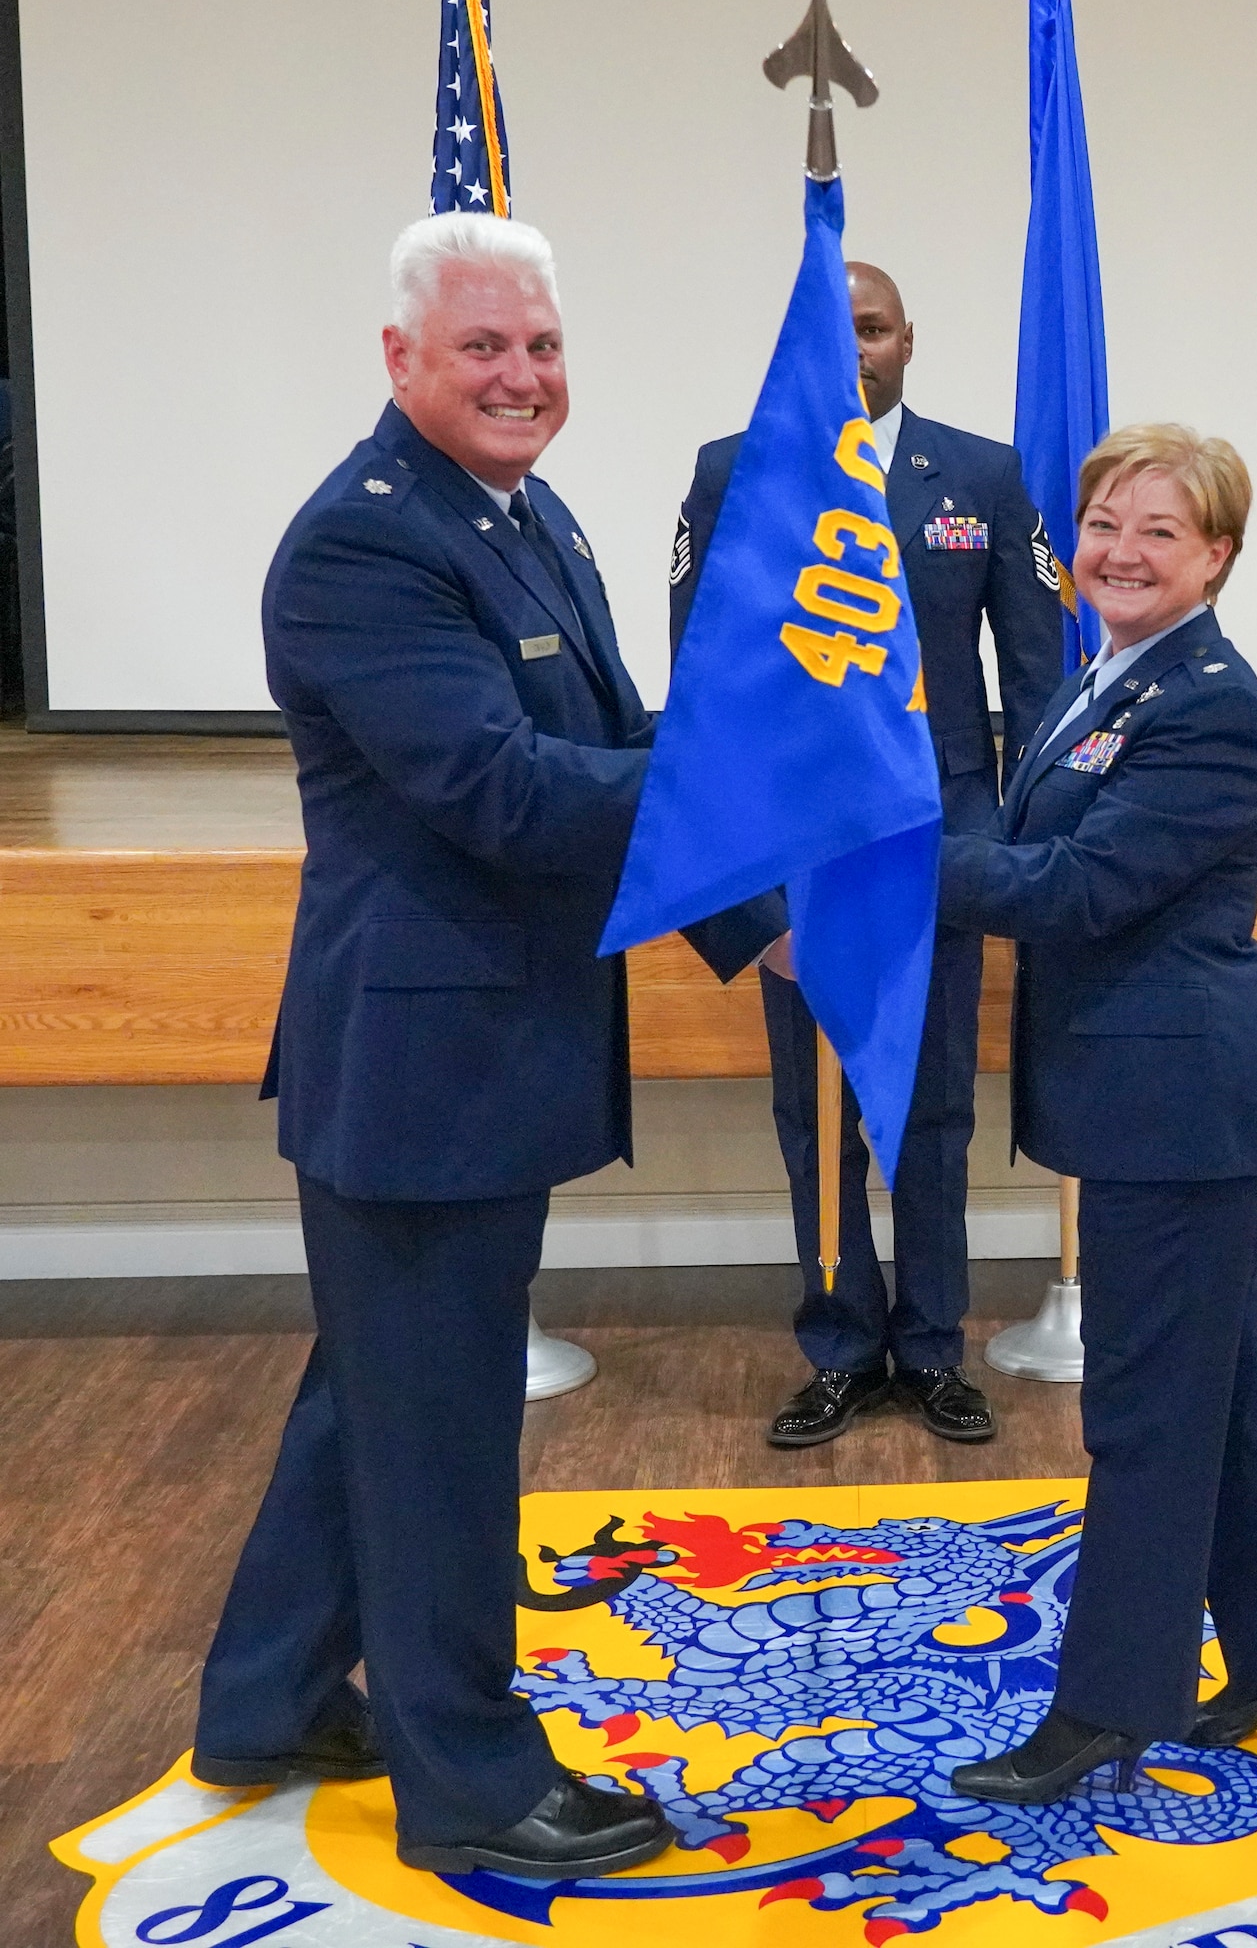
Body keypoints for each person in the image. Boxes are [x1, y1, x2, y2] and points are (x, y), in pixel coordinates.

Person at [191, 214, 781, 1879]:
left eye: (540, 348)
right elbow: (507, 794)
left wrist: (758, 918)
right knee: (439, 1425)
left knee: (374, 1396)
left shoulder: (530, 518)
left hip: (483, 1059)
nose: (521, 378)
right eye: (482, 350)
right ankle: (472, 1781)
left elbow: (610, 741)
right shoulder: (364, 549)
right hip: (420, 1075)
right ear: (401, 362)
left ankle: (265, 1696)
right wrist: (761, 792)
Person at [937, 423, 1257, 1805]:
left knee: (1146, 1417)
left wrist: (881, 861)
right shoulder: (1098, 677)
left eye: (1161, 532)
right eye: (1106, 523)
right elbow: (1025, 856)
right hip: (1158, 1100)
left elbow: (1070, 890)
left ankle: (1110, 1709)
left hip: (1182, 1113)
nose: (1121, 552)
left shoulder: (1210, 704)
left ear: (1219, 558)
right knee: (1227, 1388)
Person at [671, 262, 1063, 1450]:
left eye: (874, 327)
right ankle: (840, 1346)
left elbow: (1035, 678)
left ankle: (932, 1343)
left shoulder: (981, 478)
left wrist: (1008, 849)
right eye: (828, 332)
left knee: (935, 1106)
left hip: (940, 846)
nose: (854, 350)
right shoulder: (734, 473)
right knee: (818, 1112)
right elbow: (705, 691)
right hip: (803, 852)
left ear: (908, 341)